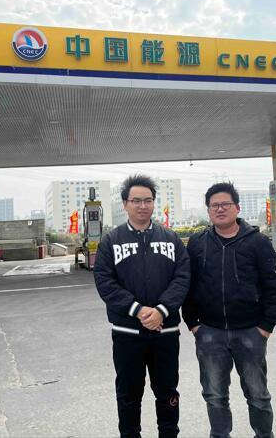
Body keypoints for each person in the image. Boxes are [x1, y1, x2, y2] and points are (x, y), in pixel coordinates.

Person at [183, 182, 276, 438]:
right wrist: (193, 323)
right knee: (215, 395)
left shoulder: (258, 242)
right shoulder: (197, 243)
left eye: (225, 204)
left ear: (237, 208)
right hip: (209, 333)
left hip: (250, 332)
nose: (220, 209)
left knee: (258, 395)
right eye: (214, 205)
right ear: (208, 210)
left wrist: (266, 327)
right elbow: (187, 284)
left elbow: (273, 286)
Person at [94, 174, 190, 438]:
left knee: (168, 393)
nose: (142, 206)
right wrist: (137, 310)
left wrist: (161, 310)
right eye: (136, 200)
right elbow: (105, 282)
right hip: (127, 334)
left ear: (154, 203)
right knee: (128, 394)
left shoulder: (171, 239)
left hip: (165, 333)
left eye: (148, 200)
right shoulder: (111, 241)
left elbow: (183, 278)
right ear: (125, 204)